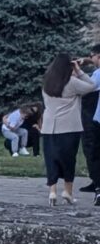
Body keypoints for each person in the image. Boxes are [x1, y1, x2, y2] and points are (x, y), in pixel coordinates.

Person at [41, 52, 98, 207]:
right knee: (68, 160)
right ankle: (68, 192)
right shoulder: (71, 82)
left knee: (51, 159)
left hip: (48, 127)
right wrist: (79, 70)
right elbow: (92, 86)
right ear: (69, 66)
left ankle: (52, 192)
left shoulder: (47, 82)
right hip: (69, 127)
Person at [77, 44, 100, 196]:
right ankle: (96, 180)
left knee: (92, 150)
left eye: (92, 56)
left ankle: (98, 183)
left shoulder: (98, 73)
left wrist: (77, 71)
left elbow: (87, 88)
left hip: (92, 118)